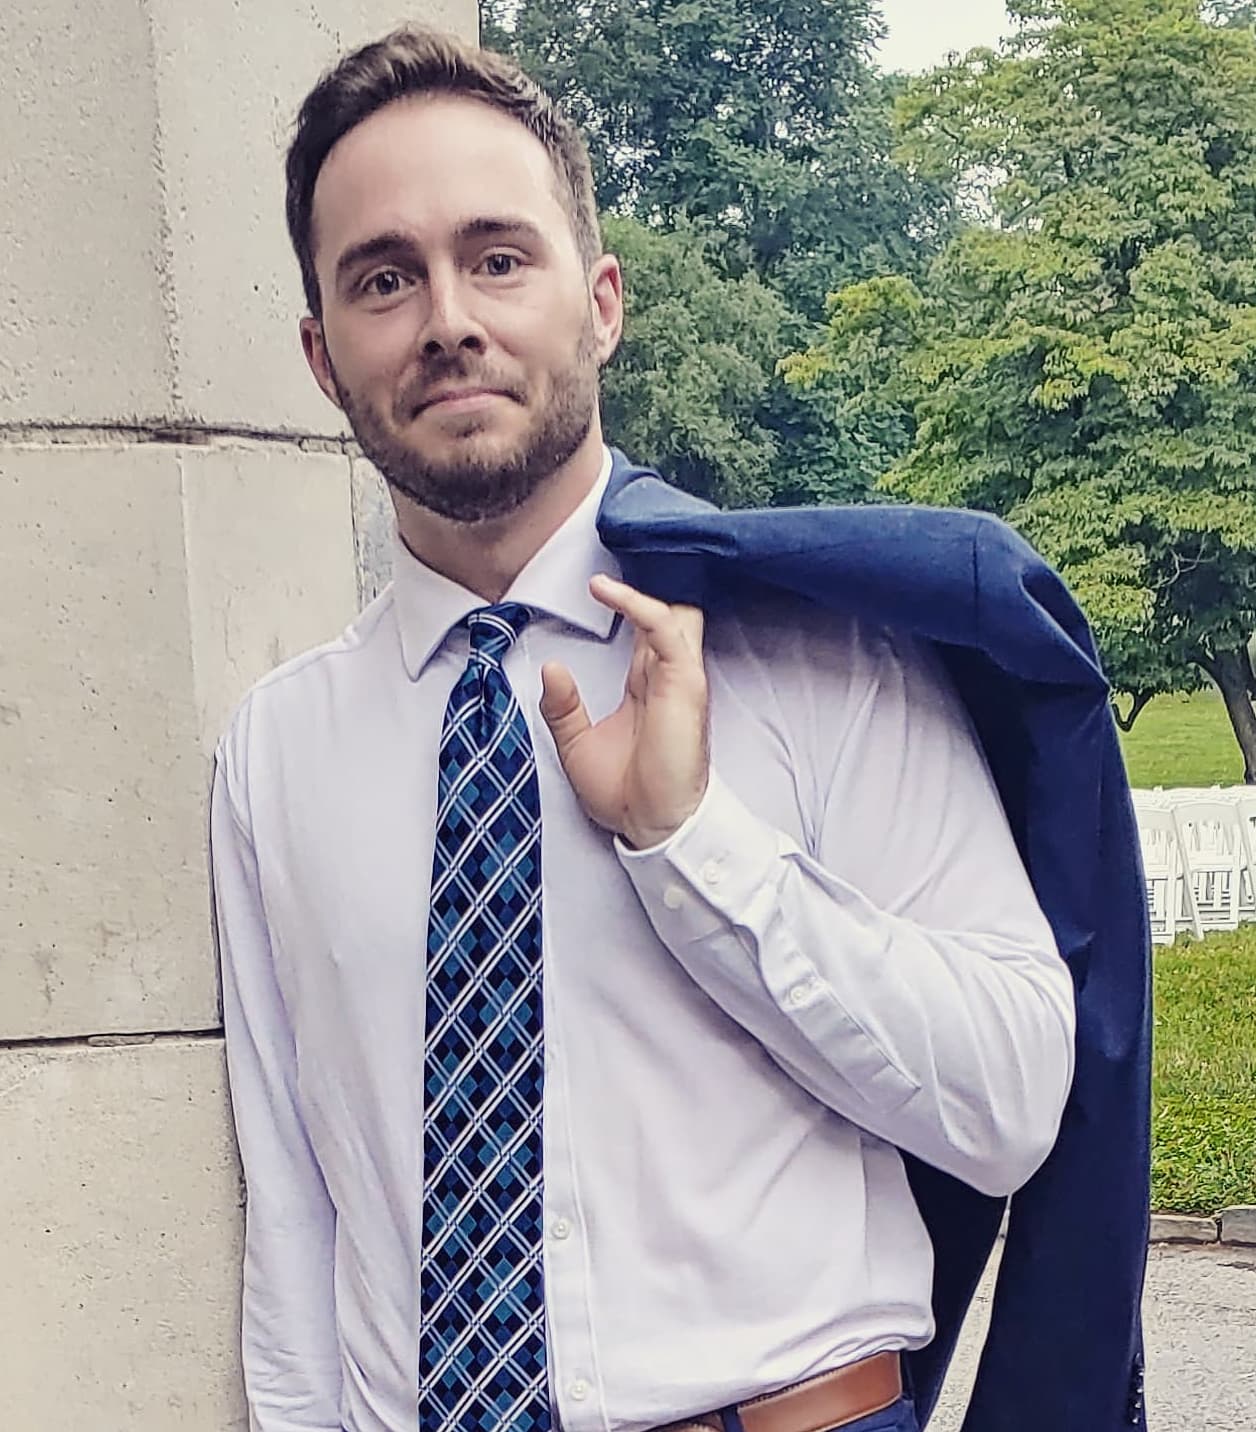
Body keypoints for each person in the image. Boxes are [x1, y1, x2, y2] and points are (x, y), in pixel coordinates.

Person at [209, 25, 1077, 1432]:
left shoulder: (820, 653)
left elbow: (1012, 1103)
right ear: (322, 353)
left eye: (499, 257)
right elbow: (298, 1220)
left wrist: (691, 843)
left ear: (601, 302)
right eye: (383, 278)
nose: (447, 319)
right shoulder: (276, 751)